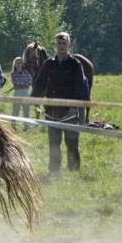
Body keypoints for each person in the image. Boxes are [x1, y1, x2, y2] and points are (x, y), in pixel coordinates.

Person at [31, 32, 89, 173]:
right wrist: (33, 98)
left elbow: (80, 86)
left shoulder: (75, 64)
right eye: (59, 43)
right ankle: (54, 171)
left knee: (72, 142)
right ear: (55, 45)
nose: (62, 46)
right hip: (52, 110)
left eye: (64, 43)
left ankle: (74, 171)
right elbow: (39, 83)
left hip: (70, 110)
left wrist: (75, 106)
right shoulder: (48, 64)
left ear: (69, 44)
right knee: (54, 143)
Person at [9, 56, 32, 130]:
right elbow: (15, 82)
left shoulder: (26, 72)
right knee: (16, 110)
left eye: (20, 63)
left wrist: (23, 85)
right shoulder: (13, 73)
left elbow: (30, 80)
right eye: (17, 63)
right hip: (17, 93)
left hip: (26, 92)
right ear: (15, 64)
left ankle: (26, 126)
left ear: (22, 64)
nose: (18, 64)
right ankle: (13, 126)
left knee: (26, 110)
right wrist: (23, 84)